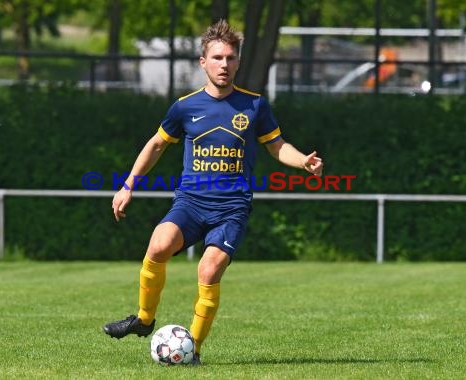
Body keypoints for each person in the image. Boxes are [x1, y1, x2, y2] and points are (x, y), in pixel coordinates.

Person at [103, 19, 323, 365]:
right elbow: (157, 145)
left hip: (231, 208)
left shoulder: (254, 106)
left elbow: (277, 146)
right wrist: (128, 185)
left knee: (207, 272)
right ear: (203, 62)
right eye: (217, 57)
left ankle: (193, 352)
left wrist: (302, 162)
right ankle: (144, 320)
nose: (224, 64)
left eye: (231, 58)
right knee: (157, 245)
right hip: (190, 203)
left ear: (238, 62)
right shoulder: (185, 107)